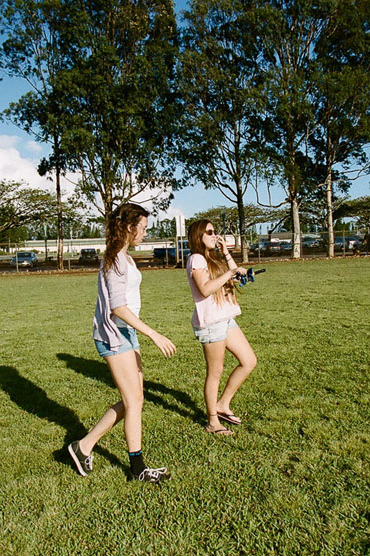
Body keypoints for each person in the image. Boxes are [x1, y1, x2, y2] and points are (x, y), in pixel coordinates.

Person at [67, 203, 177, 483]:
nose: (144, 233)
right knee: (134, 401)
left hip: (126, 333)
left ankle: (83, 447)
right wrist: (154, 334)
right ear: (129, 227)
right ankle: (136, 468)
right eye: (142, 228)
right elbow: (117, 307)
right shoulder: (115, 259)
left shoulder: (125, 257)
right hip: (114, 336)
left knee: (134, 400)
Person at [186, 220, 258, 436]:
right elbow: (205, 289)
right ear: (198, 236)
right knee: (215, 374)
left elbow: (235, 274)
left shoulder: (212, 258)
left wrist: (226, 252)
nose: (213, 235)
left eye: (214, 232)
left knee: (249, 361)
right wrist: (228, 274)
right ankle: (212, 422)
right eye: (209, 232)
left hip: (225, 318)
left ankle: (222, 404)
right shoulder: (196, 258)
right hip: (211, 323)